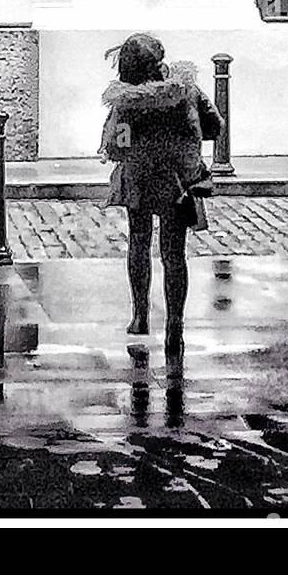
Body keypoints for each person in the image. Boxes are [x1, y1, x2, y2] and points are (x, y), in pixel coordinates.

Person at [98, 33, 223, 358]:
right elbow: (214, 126)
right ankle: (175, 328)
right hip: (178, 181)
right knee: (174, 254)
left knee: (139, 242)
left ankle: (140, 316)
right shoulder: (186, 90)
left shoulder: (126, 102)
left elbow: (115, 145)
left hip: (139, 179)